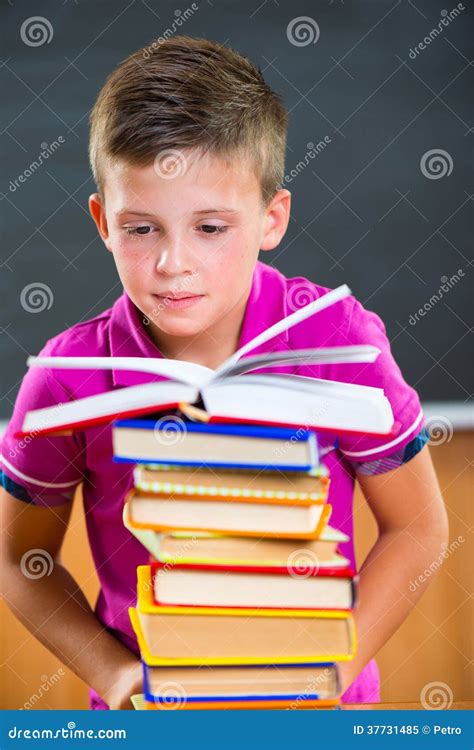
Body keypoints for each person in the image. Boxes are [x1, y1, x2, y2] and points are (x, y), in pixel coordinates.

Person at [0, 36, 448, 710]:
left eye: (210, 227)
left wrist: (333, 669)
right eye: (141, 229)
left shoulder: (339, 342)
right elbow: (19, 560)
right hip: (153, 719)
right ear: (101, 222)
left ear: (272, 218)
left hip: (319, 719)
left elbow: (418, 529)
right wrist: (115, 675)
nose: (174, 263)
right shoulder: (68, 380)